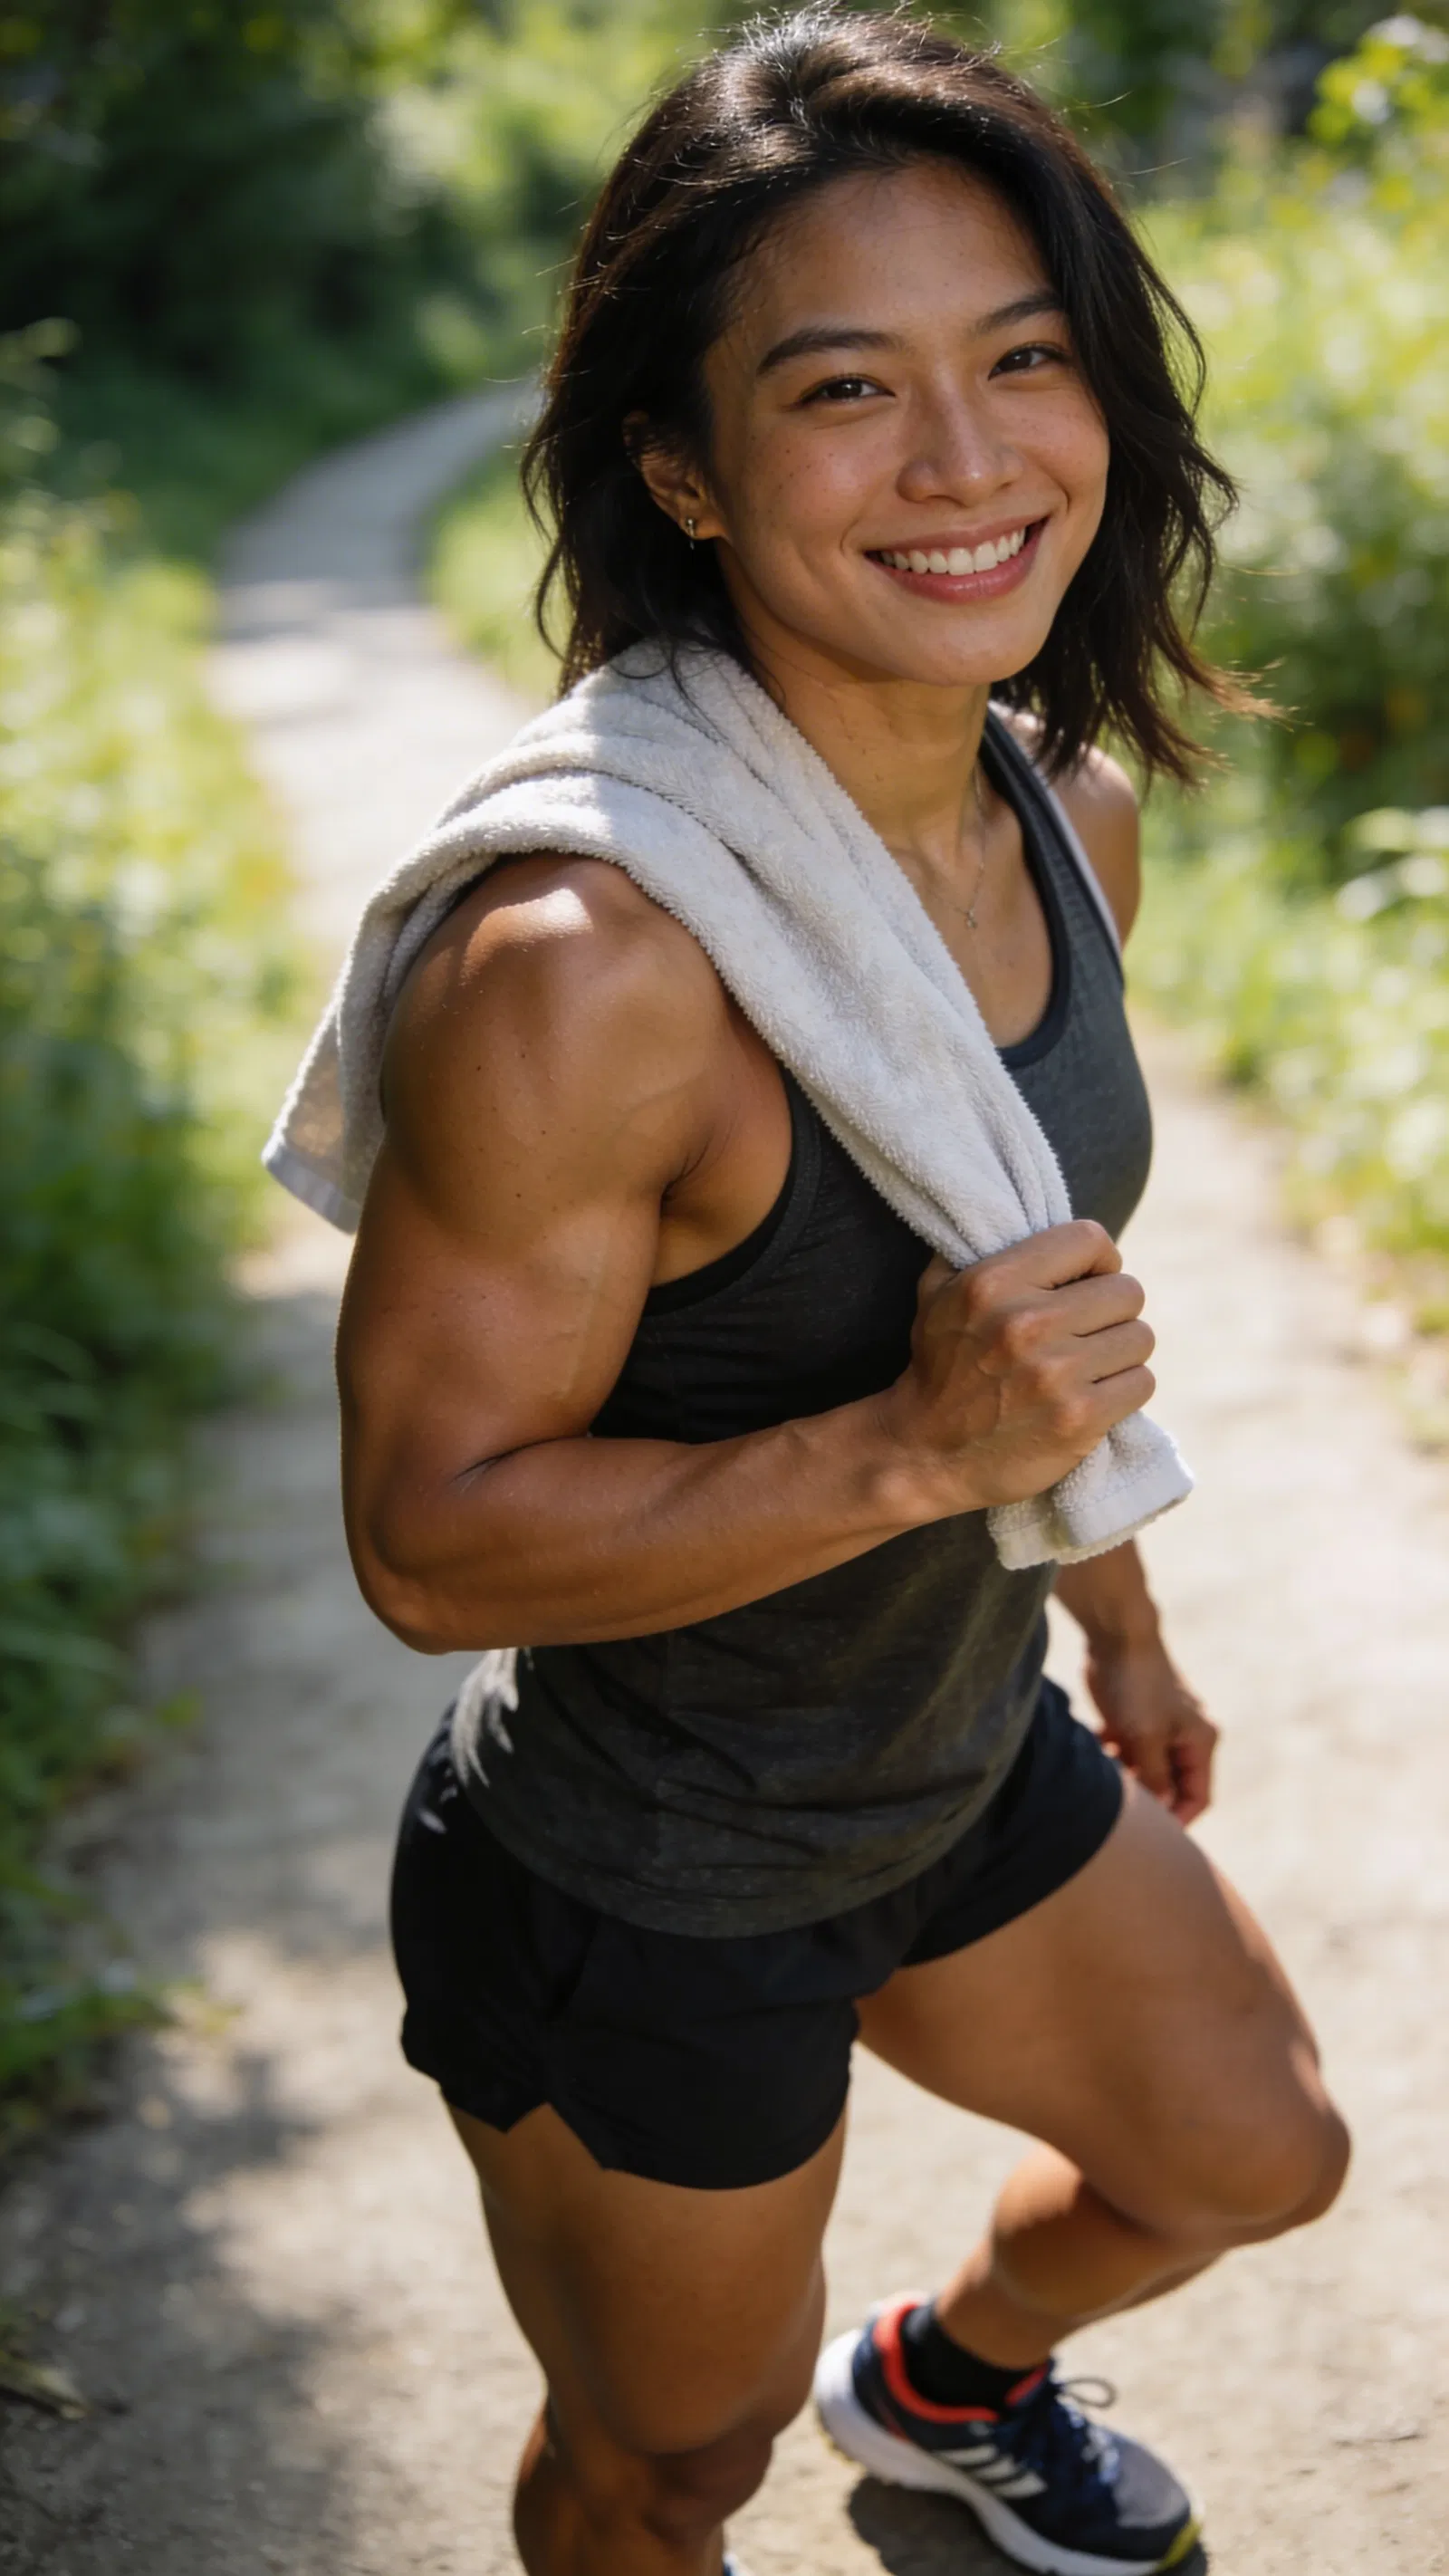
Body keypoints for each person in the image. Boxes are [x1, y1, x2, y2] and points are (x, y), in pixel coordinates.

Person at [335, 13, 1348, 2571]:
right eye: (842, 389)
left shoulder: (1062, 804)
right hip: (649, 1867)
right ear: (681, 466)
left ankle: (947, 2385)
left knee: (1257, 2148)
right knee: (666, 2459)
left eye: (1024, 360)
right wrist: (912, 1454)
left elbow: (1017, 1257)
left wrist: (1109, 1608)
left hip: (951, 1739)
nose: (970, 458)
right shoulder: (585, 963)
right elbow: (430, 1543)